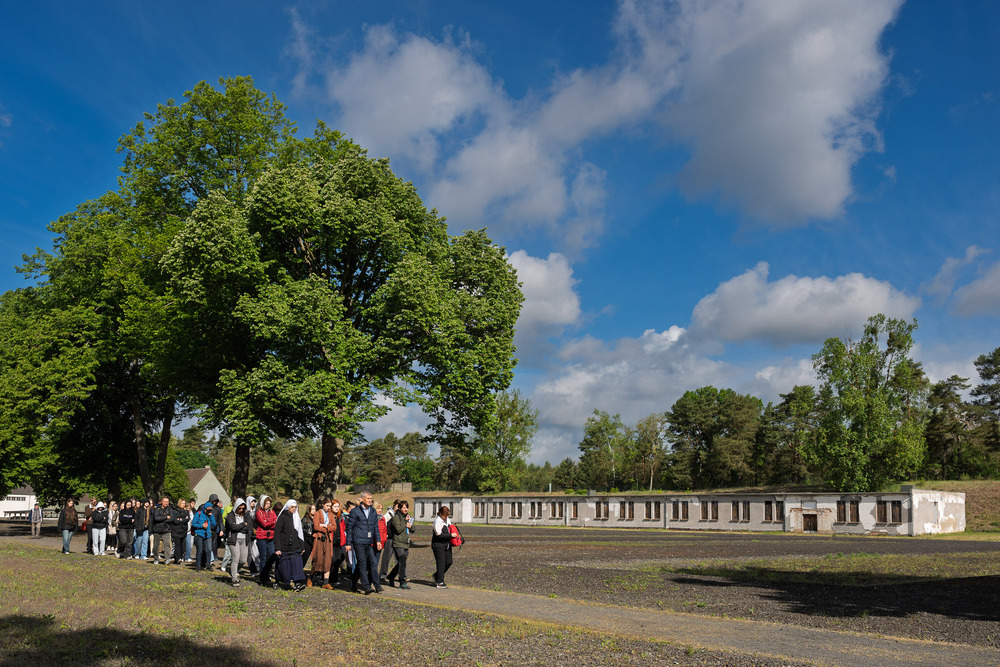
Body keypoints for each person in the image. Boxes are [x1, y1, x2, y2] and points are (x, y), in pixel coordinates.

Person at [347, 491, 382, 594]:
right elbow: (350, 528)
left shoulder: (373, 511)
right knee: (362, 563)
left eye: (371, 498)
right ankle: (366, 587)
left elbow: (375, 527)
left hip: (369, 542)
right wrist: (348, 543)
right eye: (368, 498)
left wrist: (378, 540)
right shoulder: (355, 512)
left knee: (372, 562)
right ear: (362, 499)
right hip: (358, 541)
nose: (370, 500)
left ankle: (374, 584)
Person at [274, 498, 307, 591]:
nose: (293, 509)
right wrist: (277, 548)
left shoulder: (296, 517)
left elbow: (299, 533)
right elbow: (277, 533)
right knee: (283, 567)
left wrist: (302, 546)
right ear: (288, 507)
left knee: (297, 565)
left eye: (295, 507)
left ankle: (297, 583)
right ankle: (279, 581)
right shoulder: (282, 517)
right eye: (292, 507)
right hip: (284, 546)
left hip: (295, 546)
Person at [225, 498, 252, 586]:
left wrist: (239, 527)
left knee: (243, 559)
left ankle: (233, 570)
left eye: (243, 508)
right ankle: (234, 578)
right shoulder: (230, 516)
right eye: (239, 508)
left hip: (244, 538)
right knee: (235, 558)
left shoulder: (247, 515)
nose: (241, 510)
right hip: (234, 539)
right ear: (236, 507)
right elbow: (233, 528)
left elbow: (249, 527)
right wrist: (243, 525)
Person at [387, 500, 413, 588]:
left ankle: (391, 576)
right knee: (402, 560)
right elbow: (398, 529)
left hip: (406, 542)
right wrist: (405, 523)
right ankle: (402, 581)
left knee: (402, 562)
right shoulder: (396, 517)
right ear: (399, 508)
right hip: (398, 542)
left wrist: (410, 524)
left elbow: (413, 529)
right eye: (404, 507)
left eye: (407, 507)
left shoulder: (407, 517)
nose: (406, 509)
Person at [311, 499, 334, 589]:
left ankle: (325, 582)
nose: (328, 508)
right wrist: (327, 528)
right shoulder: (317, 513)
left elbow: (334, 527)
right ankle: (311, 578)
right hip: (319, 538)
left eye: (329, 506)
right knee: (317, 559)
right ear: (322, 504)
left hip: (328, 539)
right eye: (327, 505)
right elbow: (316, 526)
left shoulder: (331, 515)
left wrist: (325, 526)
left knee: (328, 559)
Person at [254, 495, 277, 585]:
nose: (268, 505)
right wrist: (272, 523)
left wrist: (269, 523)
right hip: (262, 538)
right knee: (263, 557)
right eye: (266, 503)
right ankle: (262, 577)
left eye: (269, 503)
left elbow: (276, 522)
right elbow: (263, 524)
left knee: (271, 556)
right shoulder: (259, 512)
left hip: (271, 537)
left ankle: (268, 574)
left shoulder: (272, 512)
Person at [431, 505, 454, 588]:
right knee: (441, 563)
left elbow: (450, 529)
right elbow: (438, 534)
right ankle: (440, 582)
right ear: (440, 513)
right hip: (438, 545)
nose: (446, 516)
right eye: (445, 515)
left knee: (449, 561)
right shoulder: (437, 521)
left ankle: (437, 575)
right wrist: (450, 535)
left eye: (447, 515)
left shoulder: (448, 520)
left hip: (447, 544)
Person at [191, 500, 216, 572]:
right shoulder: (198, 514)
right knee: (200, 551)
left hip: (208, 535)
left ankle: (208, 565)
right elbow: (193, 524)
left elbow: (214, 524)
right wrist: (201, 526)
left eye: (210, 510)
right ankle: (198, 566)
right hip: (199, 534)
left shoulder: (210, 515)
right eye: (208, 510)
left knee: (208, 550)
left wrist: (211, 516)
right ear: (204, 509)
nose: (209, 511)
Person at [378, 500, 398, 582]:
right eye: (397, 506)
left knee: (399, 558)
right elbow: (384, 527)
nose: (398, 508)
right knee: (386, 557)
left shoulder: (399, 515)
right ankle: (383, 574)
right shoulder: (388, 515)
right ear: (394, 505)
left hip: (396, 539)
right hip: (389, 538)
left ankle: (400, 574)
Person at [150, 496, 173, 564]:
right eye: (165, 501)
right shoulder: (157, 509)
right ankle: (156, 558)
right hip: (157, 529)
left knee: (167, 545)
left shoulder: (170, 509)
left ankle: (167, 558)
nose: (166, 503)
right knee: (156, 545)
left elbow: (172, 519)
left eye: (167, 502)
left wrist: (162, 519)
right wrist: (166, 517)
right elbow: (156, 518)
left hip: (166, 529)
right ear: (161, 502)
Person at [170, 499, 189, 564]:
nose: (184, 504)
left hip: (183, 530)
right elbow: (175, 520)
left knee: (182, 545)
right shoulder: (174, 511)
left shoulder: (186, 511)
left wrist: (180, 519)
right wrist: (183, 519)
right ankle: (178, 558)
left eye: (184, 503)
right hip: (176, 530)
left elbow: (187, 519)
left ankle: (179, 557)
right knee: (177, 545)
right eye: (182, 503)